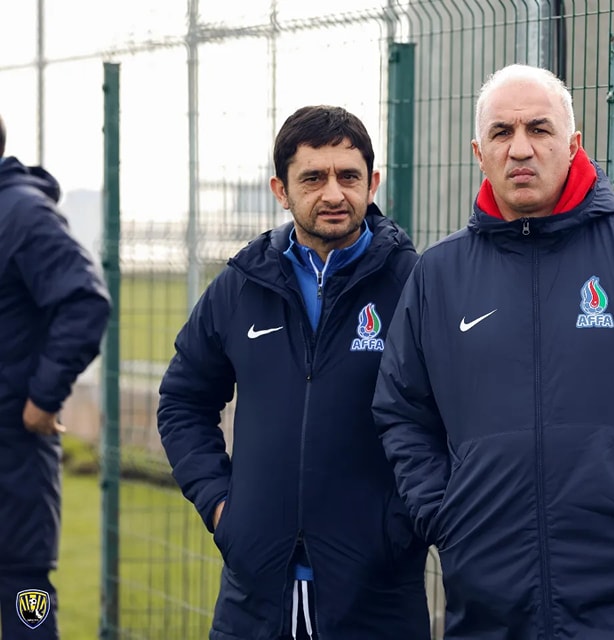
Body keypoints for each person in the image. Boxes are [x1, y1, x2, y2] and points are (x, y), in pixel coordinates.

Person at [373, 64, 614, 639]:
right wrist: (443, 513)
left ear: (573, 145)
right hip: (491, 601)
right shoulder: (439, 275)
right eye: (502, 133)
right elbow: (402, 409)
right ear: (479, 153)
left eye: (539, 129)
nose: (520, 148)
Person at [157, 106, 429, 640]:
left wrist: (402, 525)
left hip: (376, 596)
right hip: (253, 597)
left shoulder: (413, 284)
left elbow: (453, 418)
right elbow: (183, 400)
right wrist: (221, 506)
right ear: (281, 190)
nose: (334, 194)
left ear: (372, 184)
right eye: (313, 178)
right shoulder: (242, 285)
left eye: (348, 176)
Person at [0, 114, 112, 639]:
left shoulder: (22, 214)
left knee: (26, 600)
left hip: (12, 461)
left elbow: (84, 302)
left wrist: (42, 400)